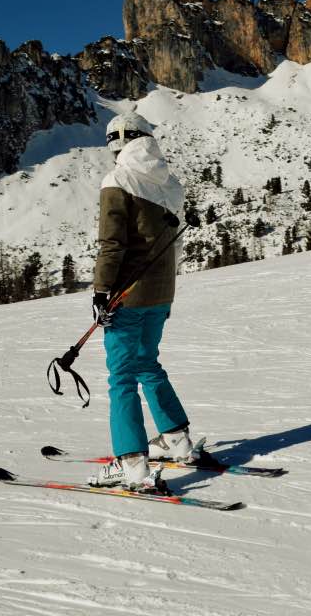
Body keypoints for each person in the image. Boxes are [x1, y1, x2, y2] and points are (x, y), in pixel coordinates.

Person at [88, 112, 197, 492]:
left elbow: (112, 244)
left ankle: (132, 463)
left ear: (115, 141)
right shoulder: (171, 183)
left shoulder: (117, 179)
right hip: (161, 293)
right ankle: (177, 440)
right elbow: (176, 245)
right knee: (148, 364)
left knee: (121, 376)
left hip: (127, 296)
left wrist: (102, 291)